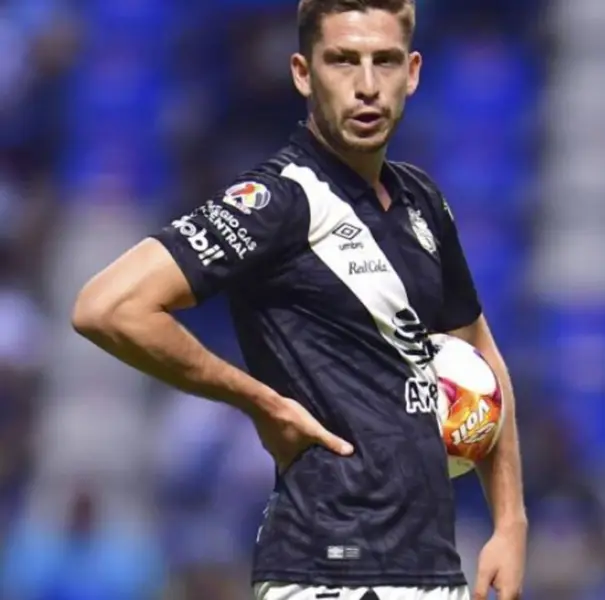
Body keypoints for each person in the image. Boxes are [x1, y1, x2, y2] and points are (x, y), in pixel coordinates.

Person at [69, 1, 527, 599]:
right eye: (342, 62)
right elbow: (105, 307)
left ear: (411, 73)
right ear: (303, 74)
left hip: (431, 570)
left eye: (384, 62)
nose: (366, 86)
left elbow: (479, 354)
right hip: (324, 573)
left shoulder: (422, 202)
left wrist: (511, 521)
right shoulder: (279, 201)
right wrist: (260, 401)